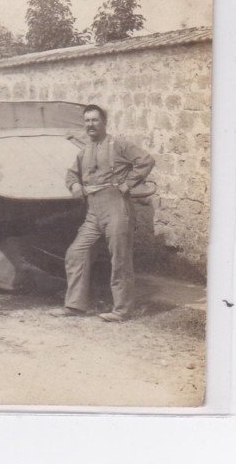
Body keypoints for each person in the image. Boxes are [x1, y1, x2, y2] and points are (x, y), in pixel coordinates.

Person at [51, 104, 155, 322]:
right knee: (76, 252)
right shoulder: (84, 151)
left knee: (120, 258)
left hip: (116, 207)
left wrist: (128, 184)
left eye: (95, 120)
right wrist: (75, 187)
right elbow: (71, 175)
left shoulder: (119, 145)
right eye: (87, 121)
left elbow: (145, 160)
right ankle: (75, 305)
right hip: (93, 211)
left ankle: (122, 310)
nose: (90, 124)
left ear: (104, 123)